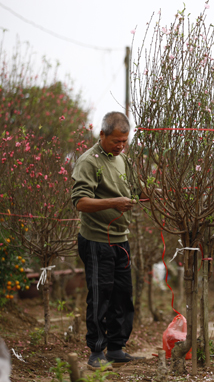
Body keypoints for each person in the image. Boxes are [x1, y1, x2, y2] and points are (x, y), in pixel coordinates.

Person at [71, 111, 146, 370]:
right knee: (100, 296)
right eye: (116, 141)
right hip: (96, 241)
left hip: (120, 239)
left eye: (125, 141)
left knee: (123, 296)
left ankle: (116, 347)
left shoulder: (123, 160)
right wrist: (114, 202)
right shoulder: (88, 162)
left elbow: (134, 190)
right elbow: (80, 202)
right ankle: (96, 351)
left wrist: (154, 191)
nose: (121, 146)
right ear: (101, 135)